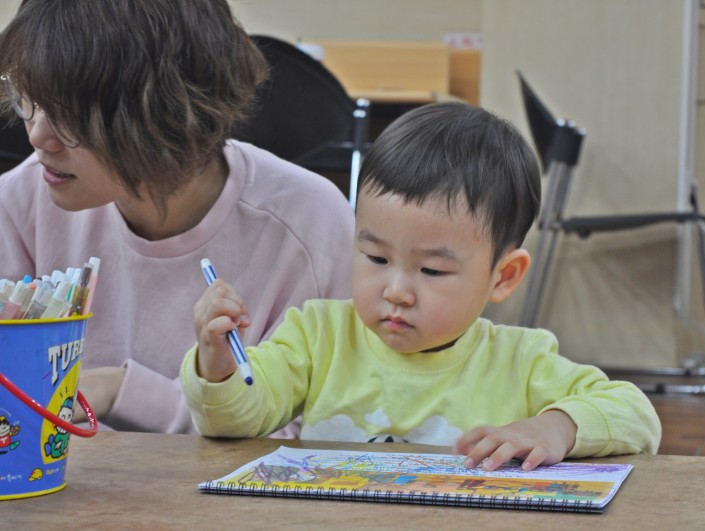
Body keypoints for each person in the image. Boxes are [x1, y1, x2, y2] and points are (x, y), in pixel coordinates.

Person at [182, 102, 661, 470]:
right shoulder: (318, 335)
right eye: (375, 257)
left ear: (503, 276)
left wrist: (555, 426)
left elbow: (636, 414)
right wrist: (219, 366)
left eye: (431, 271)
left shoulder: (520, 360)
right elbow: (233, 422)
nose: (396, 290)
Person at [0, 0, 354, 434]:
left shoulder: (306, 224)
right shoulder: (20, 202)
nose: (37, 135)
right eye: (27, 99)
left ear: (165, 112)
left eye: (72, 115)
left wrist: (121, 390)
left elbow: (313, 433)